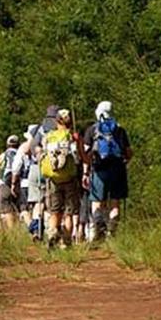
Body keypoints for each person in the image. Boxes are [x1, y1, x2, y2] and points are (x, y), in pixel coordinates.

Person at [83, 101, 132, 240]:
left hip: (99, 169)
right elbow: (128, 152)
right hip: (118, 168)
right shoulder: (120, 130)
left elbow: (86, 154)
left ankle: (97, 231)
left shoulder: (92, 130)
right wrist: (125, 162)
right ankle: (112, 233)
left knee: (97, 202)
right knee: (115, 204)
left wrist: (85, 173)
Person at [41, 108, 84, 248]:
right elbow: (82, 156)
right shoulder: (74, 136)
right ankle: (66, 242)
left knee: (55, 211)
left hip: (53, 179)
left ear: (56, 120)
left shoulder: (49, 136)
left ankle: (52, 232)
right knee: (69, 213)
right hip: (70, 178)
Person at [0, 135, 21, 229]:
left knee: (6, 210)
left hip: (4, 184)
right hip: (19, 184)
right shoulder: (21, 155)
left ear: (7, 145)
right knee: (17, 209)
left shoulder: (2, 156)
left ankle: (11, 232)